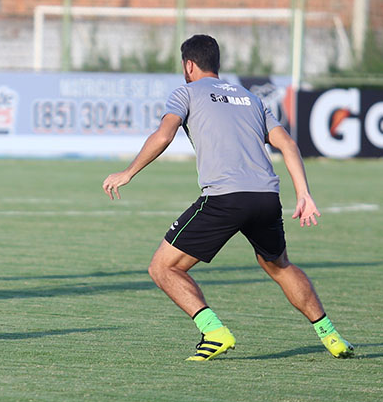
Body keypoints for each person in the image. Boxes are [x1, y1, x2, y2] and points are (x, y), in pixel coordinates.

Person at [102, 34, 354, 361]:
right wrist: (303, 193)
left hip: (225, 198)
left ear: (188, 65)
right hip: (266, 197)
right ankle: (332, 337)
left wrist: (128, 172)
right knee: (280, 266)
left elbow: (164, 135)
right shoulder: (251, 99)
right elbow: (288, 144)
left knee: (163, 268)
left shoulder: (186, 92)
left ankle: (214, 332)